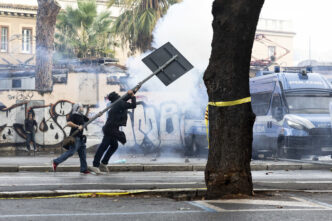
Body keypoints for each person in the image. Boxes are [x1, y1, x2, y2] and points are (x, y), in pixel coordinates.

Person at [89, 90, 136, 174]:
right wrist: (132, 96)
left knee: (114, 146)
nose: (119, 96)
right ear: (116, 97)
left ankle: (103, 163)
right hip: (110, 129)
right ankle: (95, 165)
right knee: (103, 146)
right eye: (118, 95)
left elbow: (125, 97)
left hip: (112, 128)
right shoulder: (119, 103)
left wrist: (134, 91)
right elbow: (133, 105)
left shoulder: (116, 102)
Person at [52, 103, 90, 174]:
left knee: (83, 155)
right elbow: (69, 123)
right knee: (71, 152)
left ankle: (84, 169)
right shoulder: (74, 115)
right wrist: (77, 126)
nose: (82, 108)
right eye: (81, 107)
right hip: (75, 138)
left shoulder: (81, 115)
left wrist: (98, 115)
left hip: (81, 139)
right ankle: (55, 162)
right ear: (78, 108)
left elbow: (88, 120)